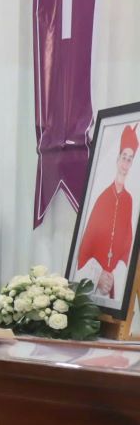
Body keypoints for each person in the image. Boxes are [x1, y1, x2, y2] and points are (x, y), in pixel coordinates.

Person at [75, 125, 137, 299]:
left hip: (114, 282)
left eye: (130, 159)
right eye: (124, 157)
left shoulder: (130, 200)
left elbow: (127, 244)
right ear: (117, 159)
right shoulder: (102, 196)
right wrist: (98, 275)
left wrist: (113, 274)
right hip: (96, 277)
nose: (125, 163)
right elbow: (88, 245)